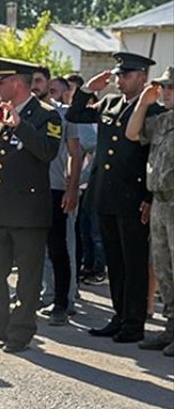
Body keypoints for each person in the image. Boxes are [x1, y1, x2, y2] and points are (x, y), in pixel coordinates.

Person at [66, 51, 161, 343]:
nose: (120, 80)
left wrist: (148, 197)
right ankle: (119, 315)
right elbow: (75, 114)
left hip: (133, 196)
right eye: (118, 75)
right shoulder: (108, 102)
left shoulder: (154, 112)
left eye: (127, 75)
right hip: (105, 193)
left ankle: (134, 323)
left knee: (134, 262)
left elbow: (152, 158)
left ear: (143, 78)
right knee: (115, 261)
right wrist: (88, 90)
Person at [0, 58, 62, 353]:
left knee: (27, 277)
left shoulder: (47, 116)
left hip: (28, 212)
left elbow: (48, 152)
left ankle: (20, 332)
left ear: (17, 83)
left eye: (1, 82)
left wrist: (21, 126)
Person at [126, 67, 173, 356]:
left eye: (170, 88)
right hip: (160, 202)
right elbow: (132, 133)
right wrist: (144, 102)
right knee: (164, 267)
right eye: (164, 87)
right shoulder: (162, 121)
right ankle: (171, 327)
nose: (165, 92)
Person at [35, 71, 84, 325]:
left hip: (54, 189)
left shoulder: (66, 115)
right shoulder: (23, 112)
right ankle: (38, 296)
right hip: (27, 191)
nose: (35, 86)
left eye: (40, 82)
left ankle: (62, 303)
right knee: (30, 249)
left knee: (58, 249)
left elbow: (76, 153)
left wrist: (72, 187)